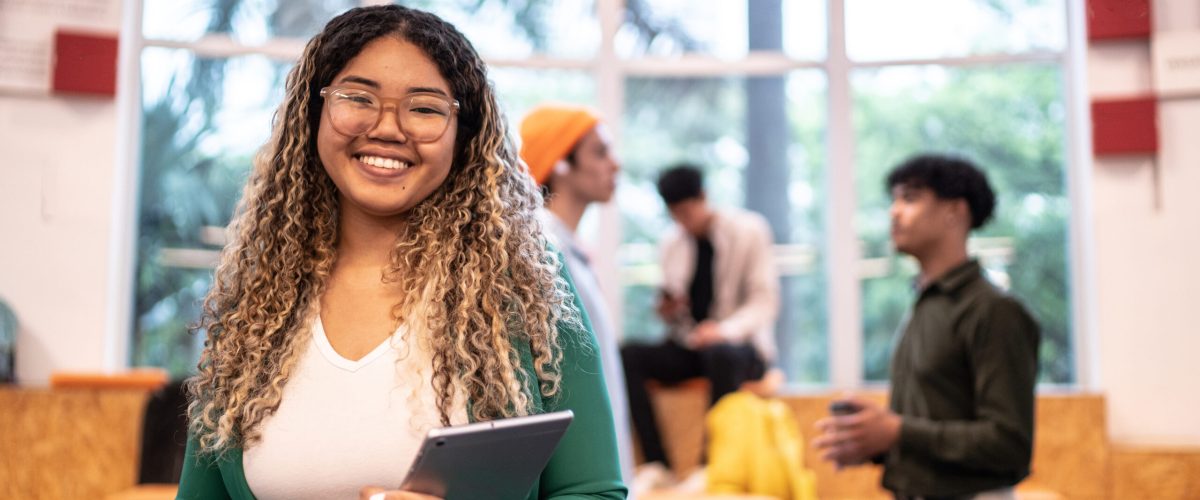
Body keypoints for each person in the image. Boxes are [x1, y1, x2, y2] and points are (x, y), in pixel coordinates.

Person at [176, 6, 626, 500]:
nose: (388, 128)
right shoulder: (259, 294)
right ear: (315, 112)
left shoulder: (525, 285)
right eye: (357, 97)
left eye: (425, 108)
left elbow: (592, 492)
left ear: (464, 134)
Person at [813, 154, 1041, 500]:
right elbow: (929, 429)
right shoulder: (925, 304)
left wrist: (896, 432)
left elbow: (1009, 443)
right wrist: (875, 442)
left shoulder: (995, 311)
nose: (894, 211)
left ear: (954, 212)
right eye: (894, 199)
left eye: (910, 197)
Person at [621, 164, 780, 484]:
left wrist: (722, 331)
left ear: (704, 197)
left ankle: (711, 466)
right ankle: (658, 464)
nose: (683, 221)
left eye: (687, 211)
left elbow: (764, 302)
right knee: (628, 354)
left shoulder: (750, 230)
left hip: (741, 349)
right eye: (675, 214)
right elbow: (677, 316)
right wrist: (669, 310)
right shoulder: (672, 243)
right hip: (694, 346)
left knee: (720, 353)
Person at [519, 104, 635, 488]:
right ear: (561, 164)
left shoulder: (570, 249)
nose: (615, 164)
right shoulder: (539, 248)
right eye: (600, 152)